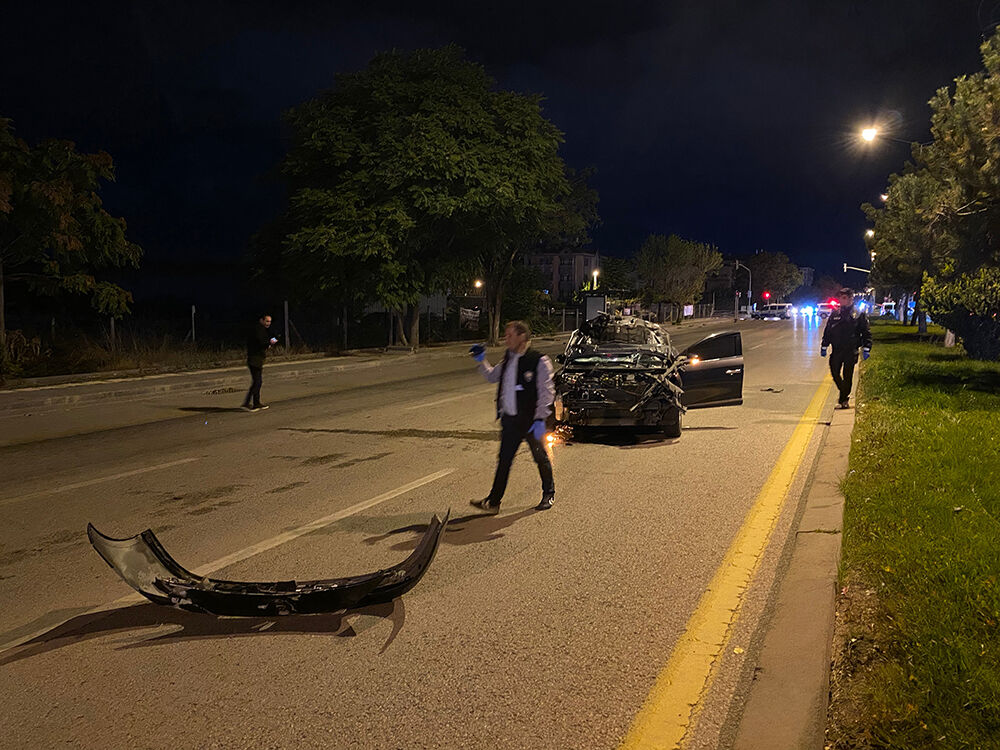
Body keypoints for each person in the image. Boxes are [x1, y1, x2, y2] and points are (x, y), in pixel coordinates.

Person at [469, 320, 556, 513]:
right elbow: (493, 376)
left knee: (540, 457)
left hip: (531, 421)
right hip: (510, 420)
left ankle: (548, 494)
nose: (506, 339)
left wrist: (540, 419)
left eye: (510, 335)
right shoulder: (508, 358)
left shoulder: (539, 360)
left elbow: (547, 392)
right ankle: (494, 502)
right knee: (504, 460)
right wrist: (481, 360)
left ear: (522, 337)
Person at [821, 288, 872, 409]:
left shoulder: (858, 314)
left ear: (850, 299)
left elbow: (866, 332)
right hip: (837, 349)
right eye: (840, 298)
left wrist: (867, 348)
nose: (841, 301)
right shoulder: (835, 313)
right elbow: (828, 331)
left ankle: (843, 399)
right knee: (834, 372)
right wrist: (824, 345)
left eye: (844, 298)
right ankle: (844, 392)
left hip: (851, 349)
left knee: (847, 375)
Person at [242, 314, 278, 411]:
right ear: (261, 320)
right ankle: (255, 403)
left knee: (256, 382)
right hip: (255, 359)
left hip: (256, 358)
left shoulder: (259, 330)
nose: (268, 323)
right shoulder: (259, 330)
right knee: (257, 382)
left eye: (270, 321)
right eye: (267, 321)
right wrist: (269, 343)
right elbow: (261, 343)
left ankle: (248, 402)